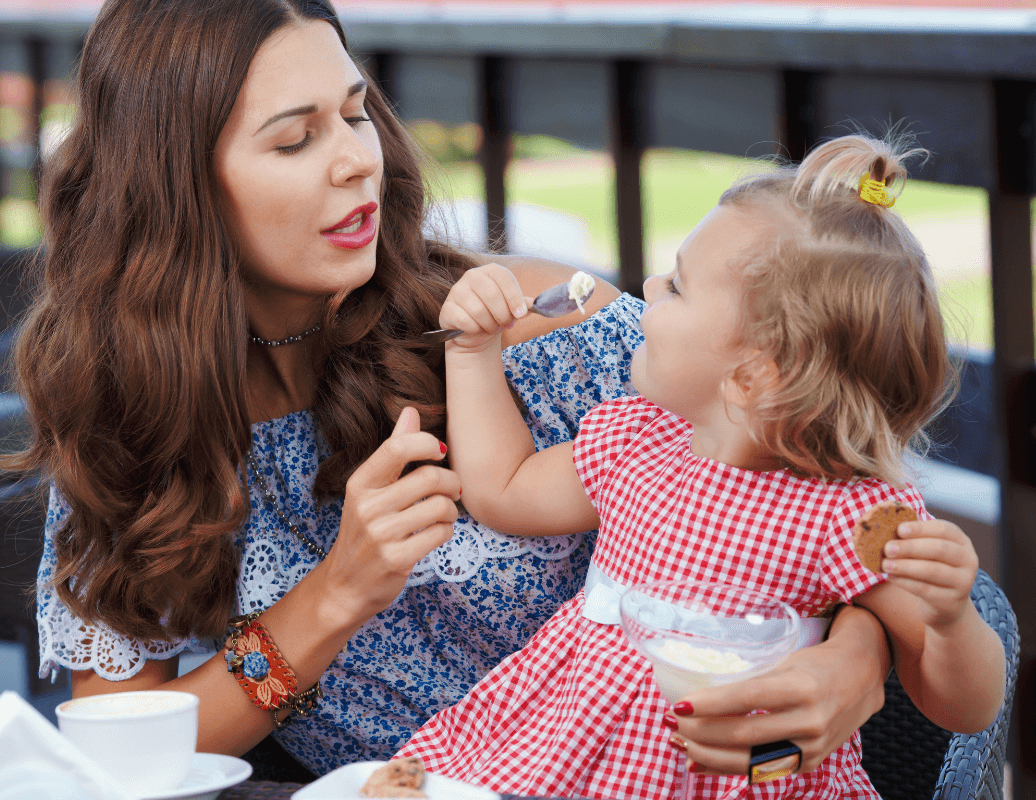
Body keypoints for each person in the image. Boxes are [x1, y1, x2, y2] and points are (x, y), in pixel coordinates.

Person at [0, 0, 910, 781]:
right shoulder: (132, 423)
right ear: (176, 188)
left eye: (354, 115)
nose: (359, 160)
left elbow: (835, 480)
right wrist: (335, 596)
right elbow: (120, 754)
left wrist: (856, 658)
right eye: (294, 138)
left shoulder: (532, 327)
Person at [396, 133, 1007, 799]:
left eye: (679, 286)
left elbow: (965, 710)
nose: (649, 286)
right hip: (568, 758)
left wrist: (951, 619)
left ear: (752, 378)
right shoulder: (636, 441)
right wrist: (472, 352)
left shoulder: (846, 512)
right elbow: (503, 489)